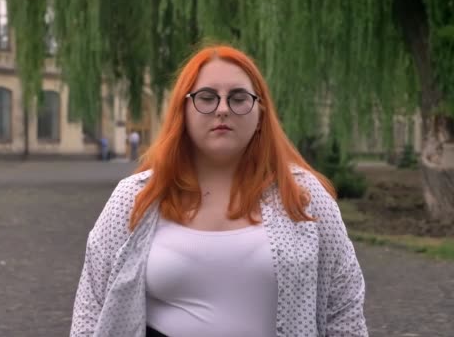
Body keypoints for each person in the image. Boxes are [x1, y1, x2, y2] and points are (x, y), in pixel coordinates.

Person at [70, 45, 368, 337]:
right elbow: (91, 307)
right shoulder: (135, 198)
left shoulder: (304, 196)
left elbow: (343, 308)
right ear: (182, 111)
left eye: (239, 98)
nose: (223, 109)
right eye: (207, 97)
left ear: (261, 113)